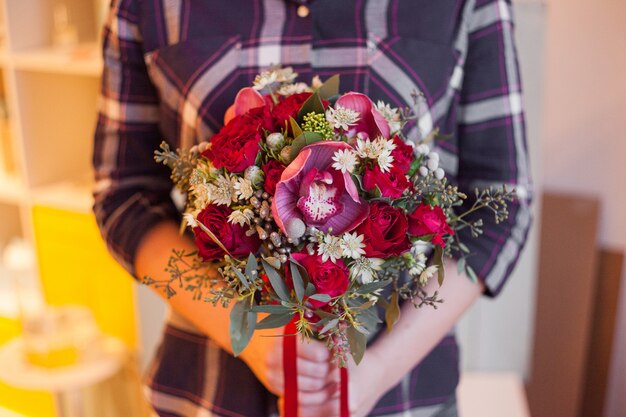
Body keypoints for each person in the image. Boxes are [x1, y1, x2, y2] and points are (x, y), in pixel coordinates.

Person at [93, 0, 532, 416]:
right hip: (211, 393)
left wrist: (375, 369)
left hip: (403, 396)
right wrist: (245, 330)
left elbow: (500, 202)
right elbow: (124, 196)